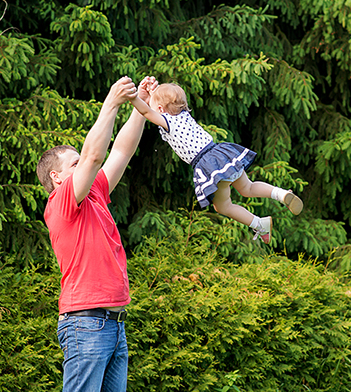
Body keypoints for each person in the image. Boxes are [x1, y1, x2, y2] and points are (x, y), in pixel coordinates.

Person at [36, 76, 154, 392]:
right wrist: (111, 102)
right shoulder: (60, 201)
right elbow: (94, 156)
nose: (84, 166)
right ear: (56, 177)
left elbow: (122, 152)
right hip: (86, 324)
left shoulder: (95, 193)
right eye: (74, 164)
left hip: (113, 324)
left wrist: (140, 107)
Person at [130, 78, 303, 244]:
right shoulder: (183, 114)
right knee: (248, 187)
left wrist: (133, 97)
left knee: (223, 207)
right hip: (221, 153)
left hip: (210, 165)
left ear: (160, 109)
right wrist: (154, 93)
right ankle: (281, 194)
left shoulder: (168, 121)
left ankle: (259, 224)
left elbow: (146, 112)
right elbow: (161, 105)